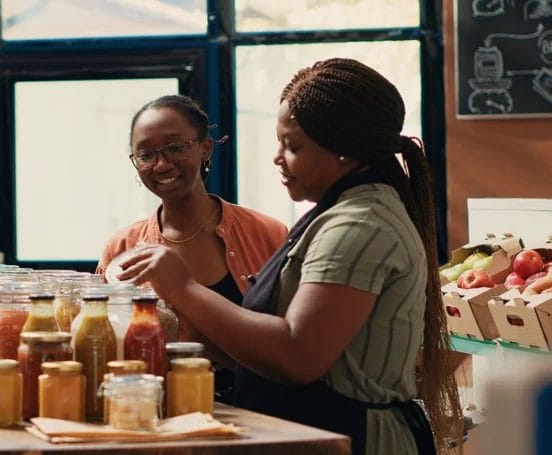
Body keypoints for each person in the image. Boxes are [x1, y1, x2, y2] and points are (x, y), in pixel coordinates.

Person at [117, 59, 463, 454]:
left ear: (344, 149)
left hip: (352, 441)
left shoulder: (359, 225)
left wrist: (183, 288)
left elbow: (299, 355)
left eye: (293, 146)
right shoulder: (337, 214)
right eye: (146, 154)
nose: (277, 158)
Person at [96, 95, 288, 402]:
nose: (161, 164)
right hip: (162, 411)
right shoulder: (122, 248)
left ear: (205, 148)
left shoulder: (267, 233)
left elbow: (292, 344)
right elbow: (107, 346)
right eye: (145, 155)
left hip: (263, 410)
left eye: (175, 148)